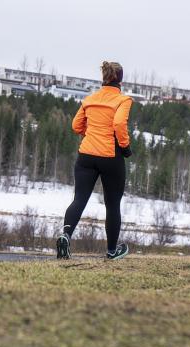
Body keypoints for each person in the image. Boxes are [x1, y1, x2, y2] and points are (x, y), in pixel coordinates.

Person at [57, 61, 133, 260]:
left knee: (79, 199)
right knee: (112, 204)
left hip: (86, 155)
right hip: (110, 156)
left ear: (104, 78)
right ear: (120, 80)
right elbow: (118, 123)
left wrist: (90, 134)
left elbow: (75, 125)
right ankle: (111, 251)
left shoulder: (90, 99)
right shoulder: (123, 100)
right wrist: (124, 147)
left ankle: (65, 236)